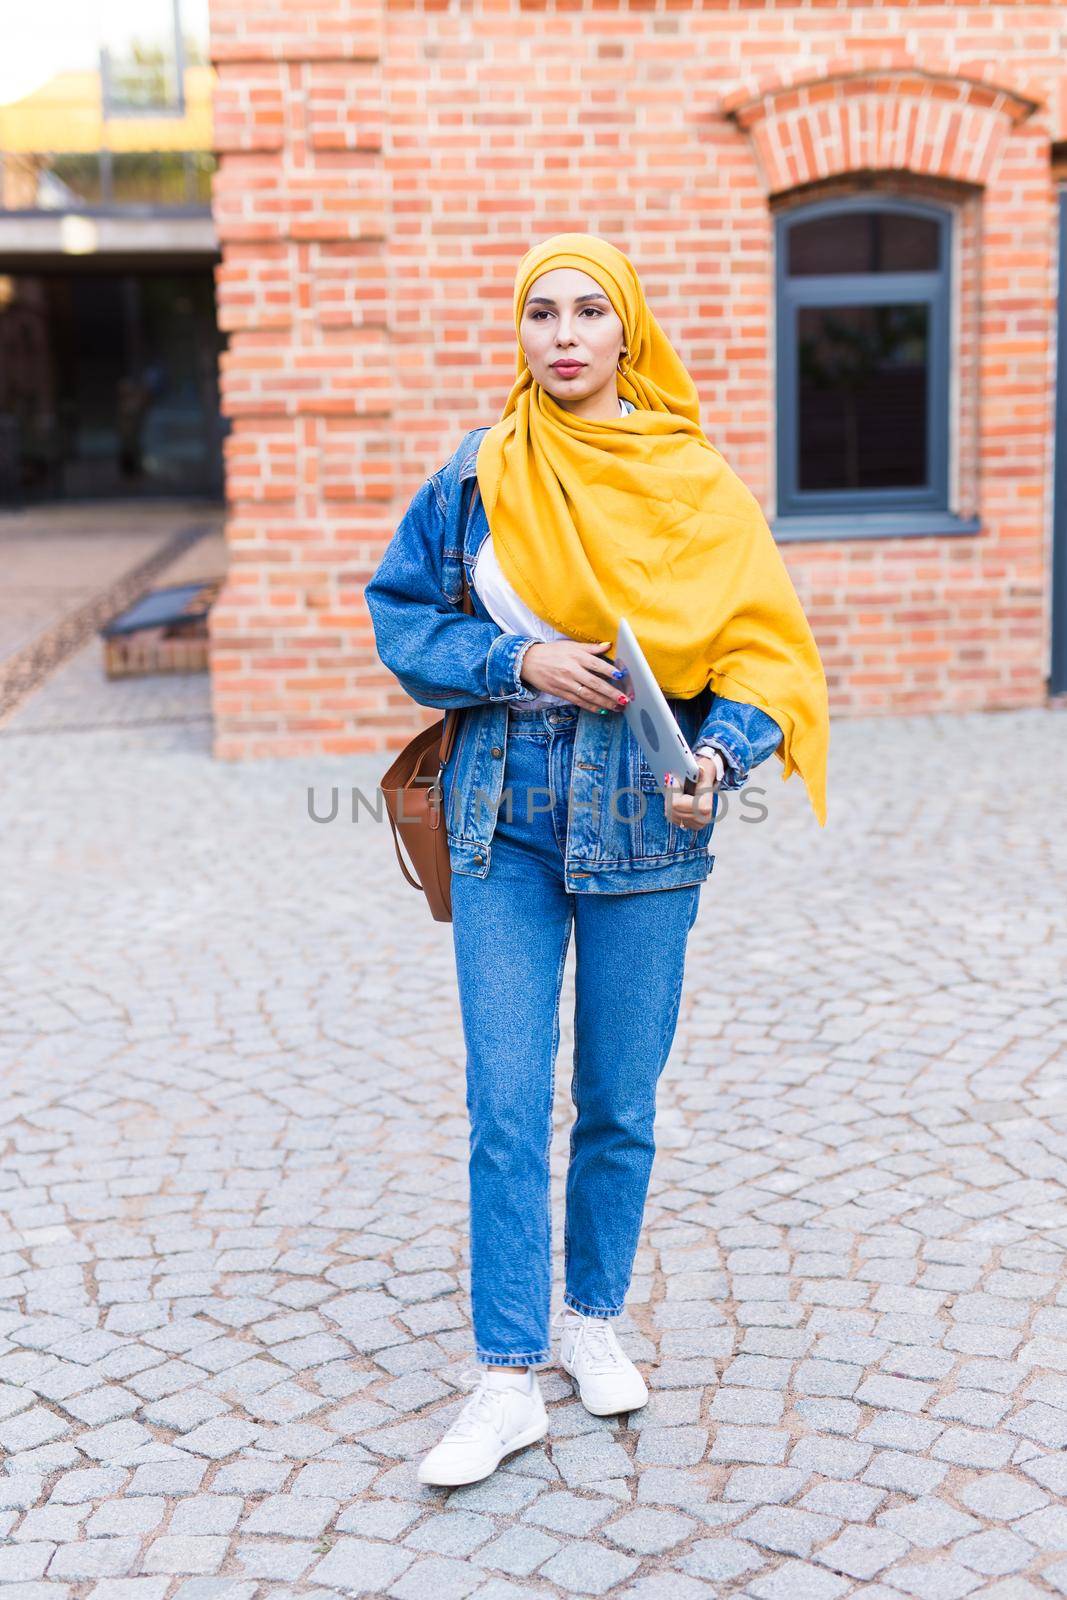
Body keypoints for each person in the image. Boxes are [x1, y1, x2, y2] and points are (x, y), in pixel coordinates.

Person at [364, 233, 830, 1488]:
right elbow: (401, 615)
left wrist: (720, 761)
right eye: (538, 313)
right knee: (505, 1102)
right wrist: (512, 660)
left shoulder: (692, 482)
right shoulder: (476, 475)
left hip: (644, 818)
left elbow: (762, 663)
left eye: (586, 311)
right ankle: (507, 1374)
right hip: (500, 816)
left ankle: (590, 1318)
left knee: (618, 1100)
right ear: (517, 335)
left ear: (626, 330)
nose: (562, 335)